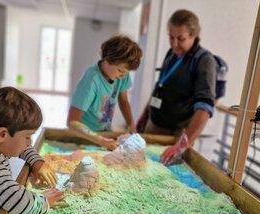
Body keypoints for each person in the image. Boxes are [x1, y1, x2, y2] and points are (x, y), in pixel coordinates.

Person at [136, 9, 216, 165]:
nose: (174, 44)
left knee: (166, 171)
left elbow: (205, 108)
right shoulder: (171, 53)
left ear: (193, 35)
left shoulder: (204, 60)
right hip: (154, 123)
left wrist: (181, 145)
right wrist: (145, 115)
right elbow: (160, 86)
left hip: (177, 133)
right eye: (171, 38)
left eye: (180, 38)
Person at [67, 35, 142, 150]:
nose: (123, 76)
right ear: (107, 60)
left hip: (105, 133)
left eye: (126, 73)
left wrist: (131, 124)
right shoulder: (92, 80)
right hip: (85, 137)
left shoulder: (122, 76)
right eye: (120, 71)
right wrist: (101, 141)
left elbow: (124, 100)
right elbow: (72, 122)